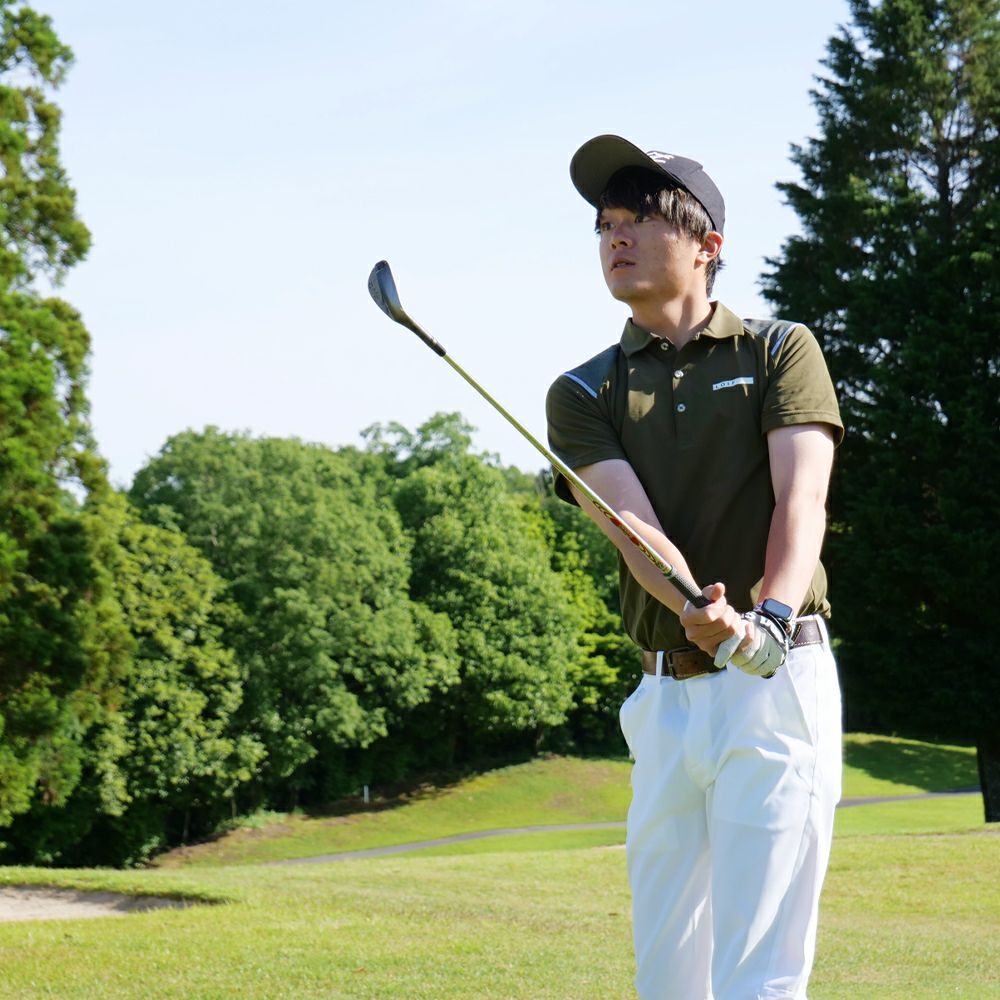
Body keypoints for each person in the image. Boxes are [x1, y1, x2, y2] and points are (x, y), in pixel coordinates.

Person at [545, 135, 844, 1000]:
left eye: (640, 219)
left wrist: (768, 620)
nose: (616, 236)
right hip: (666, 700)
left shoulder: (779, 350)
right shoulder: (582, 390)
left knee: (760, 972)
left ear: (708, 244)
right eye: (605, 223)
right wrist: (696, 610)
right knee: (667, 977)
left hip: (775, 682)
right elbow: (629, 525)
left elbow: (802, 501)